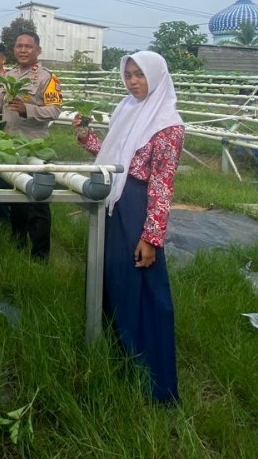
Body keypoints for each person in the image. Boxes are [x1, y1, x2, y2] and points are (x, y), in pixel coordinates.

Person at [73, 50, 184, 403]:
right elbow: (113, 156)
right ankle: (121, 361)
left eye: (140, 74)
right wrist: (86, 136)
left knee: (144, 292)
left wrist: (151, 237)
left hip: (138, 208)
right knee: (115, 283)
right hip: (116, 203)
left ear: (157, 76)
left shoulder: (167, 125)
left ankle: (155, 382)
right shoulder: (128, 110)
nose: (133, 81)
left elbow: (162, 186)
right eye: (129, 74)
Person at [0, 31, 62, 260]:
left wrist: (28, 109)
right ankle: (17, 247)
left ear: (38, 50)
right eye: (19, 46)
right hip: (10, 146)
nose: (23, 50)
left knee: (37, 203)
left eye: (28, 46)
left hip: (34, 147)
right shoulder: (9, 76)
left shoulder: (48, 78)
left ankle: (39, 257)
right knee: (15, 198)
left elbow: (55, 109)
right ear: (14, 50)